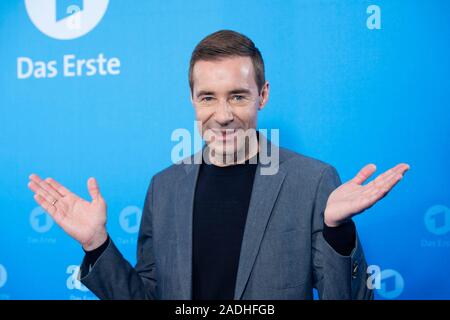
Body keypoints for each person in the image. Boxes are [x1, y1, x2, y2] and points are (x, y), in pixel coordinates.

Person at [27, 30, 409, 300]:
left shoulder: (313, 181)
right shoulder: (165, 187)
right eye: (208, 97)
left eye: (238, 97)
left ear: (263, 95)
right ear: (192, 99)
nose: (223, 115)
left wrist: (336, 232)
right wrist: (97, 245)